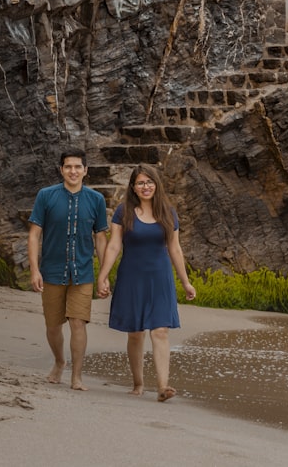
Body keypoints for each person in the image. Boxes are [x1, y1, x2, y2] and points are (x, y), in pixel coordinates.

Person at [97, 163, 197, 401]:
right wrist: (103, 276)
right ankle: (138, 382)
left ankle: (163, 386)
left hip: (160, 277)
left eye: (149, 182)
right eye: (140, 182)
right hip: (132, 276)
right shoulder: (124, 211)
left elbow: (175, 248)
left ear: (156, 184)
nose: (145, 186)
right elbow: (113, 245)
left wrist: (186, 282)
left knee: (160, 330)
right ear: (133, 186)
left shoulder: (168, 212)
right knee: (135, 333)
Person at [27, 149, 109, 391]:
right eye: (68, 167)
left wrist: (104, 275)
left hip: (82, 273)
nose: (73, 171)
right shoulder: (46, 196)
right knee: (53, 326)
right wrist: (34, 270)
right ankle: (59, 361)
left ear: (86, 170)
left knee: (77, 323)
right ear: (61, 169)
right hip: (52, 271)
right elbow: (34, 235)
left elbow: (101, 238)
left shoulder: (96, 200)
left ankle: (77, 376)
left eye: (77, 167)